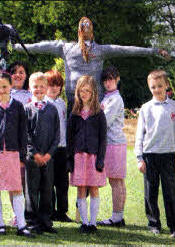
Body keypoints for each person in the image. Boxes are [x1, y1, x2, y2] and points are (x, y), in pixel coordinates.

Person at [14, 16, 169, 115]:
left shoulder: (100, 50)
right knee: (72, 139)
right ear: (79, 31)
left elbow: (126, 49)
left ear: (92, 30)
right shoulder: (66, 48)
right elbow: (39, 47)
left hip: (95, 101)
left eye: (89, 25)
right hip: (73, 101)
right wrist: (16, 47)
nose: (86, 27)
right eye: (83, 25)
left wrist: (154, 51)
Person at [0, 70, 33, 237]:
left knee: (16, 189)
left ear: (10, 87)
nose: (1, 90)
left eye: (4, 87)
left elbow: (23, 132)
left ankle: (21, 225)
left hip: (13, 153)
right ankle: (0, 224)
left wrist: (23, 155)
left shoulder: (17, 107)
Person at [135, 70, 175, 238]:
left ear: (166, 86)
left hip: (168, 155)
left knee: (170, 192)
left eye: (160, 86)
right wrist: (139, 158)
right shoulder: (146, 108)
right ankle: (154, 223)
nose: (157, 89)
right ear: (149, 88)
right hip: (150, 156)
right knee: (151, 192)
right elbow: (139, 134)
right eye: (153, 87)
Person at [67, 75, 107, 234]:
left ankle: (92, 222)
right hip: (78, 158)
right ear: (77, 92)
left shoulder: (99, 114)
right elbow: (69, 139)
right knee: (81, 189)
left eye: (87, 91)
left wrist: (101, 160)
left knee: (94, 189)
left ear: (93, 93)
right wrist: (69, 160)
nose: (84, 94)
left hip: (94, 157)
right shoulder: (74, 114)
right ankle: (84, 222)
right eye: (81, 91)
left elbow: (103, 139)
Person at [25, 72, 60, 234]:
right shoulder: (26, 109)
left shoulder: (52, 110)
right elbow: (25, 134)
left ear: (47, 88)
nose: (38, 89)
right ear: (29, 88)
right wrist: (34, 154)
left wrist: (48, 154)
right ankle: (32, 221)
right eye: (35, 86)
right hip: (32, 158)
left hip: (48, 158)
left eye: (42, 86)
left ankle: (46, 221)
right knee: (31, 190)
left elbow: (56, 135)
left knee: (47, 190)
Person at [96, 66, 127, 227]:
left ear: (117, 79)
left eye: (111, 79)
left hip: (114, 143)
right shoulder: (108, 97)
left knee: (116, 181)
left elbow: (104, 122)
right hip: (114, 143)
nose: (108, 83)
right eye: (105, 80)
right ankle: (118, 216)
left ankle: (116, 218)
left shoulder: (115, 99)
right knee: (117, 181)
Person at [44, 70, 72, 223]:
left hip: (62, 148)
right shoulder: (43, 103)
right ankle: (49, 210)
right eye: (50, 84)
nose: (54, 88)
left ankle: (62, 211)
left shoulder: (62, 103)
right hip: (49, 149)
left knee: (62, 182)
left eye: (57, 85)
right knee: (48, 181)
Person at [7, 61, 32, 226]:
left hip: (30, 144)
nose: (17, 75)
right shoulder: (5, 93)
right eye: (14, 72)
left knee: (28, 182)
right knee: (14, 181)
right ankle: (17, 214)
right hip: (11, 144)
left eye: (21, 72)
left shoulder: (31, 93)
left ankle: (30, 214)